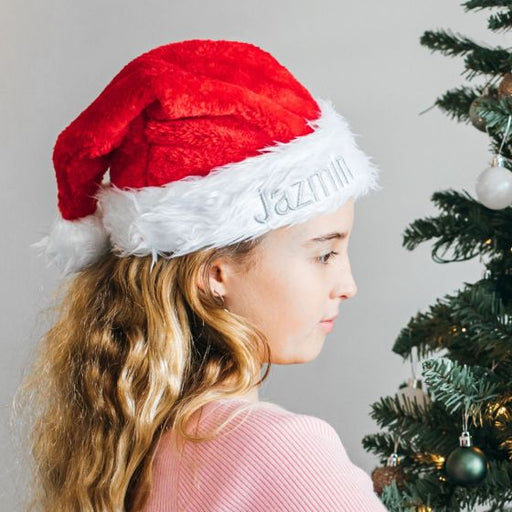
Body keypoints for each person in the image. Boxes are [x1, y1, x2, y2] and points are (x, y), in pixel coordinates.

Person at [19, 39, 387, 511]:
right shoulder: (284, 452)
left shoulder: (127, 452)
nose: (348, 286)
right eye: (324, 254)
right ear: (215, 273)